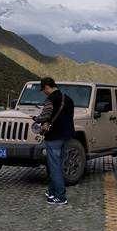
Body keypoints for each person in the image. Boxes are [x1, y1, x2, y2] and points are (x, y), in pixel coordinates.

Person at [32, 77, 74, 205]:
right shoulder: (68, 99)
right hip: (67, 136)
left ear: (47, 87)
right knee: (58, 165)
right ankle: (52, 191)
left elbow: (45, 116)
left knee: (54, 166)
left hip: (54, 137)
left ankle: (60, 197)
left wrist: (36, 118)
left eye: (43, 90)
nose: (44, 92)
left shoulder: (50, 99)